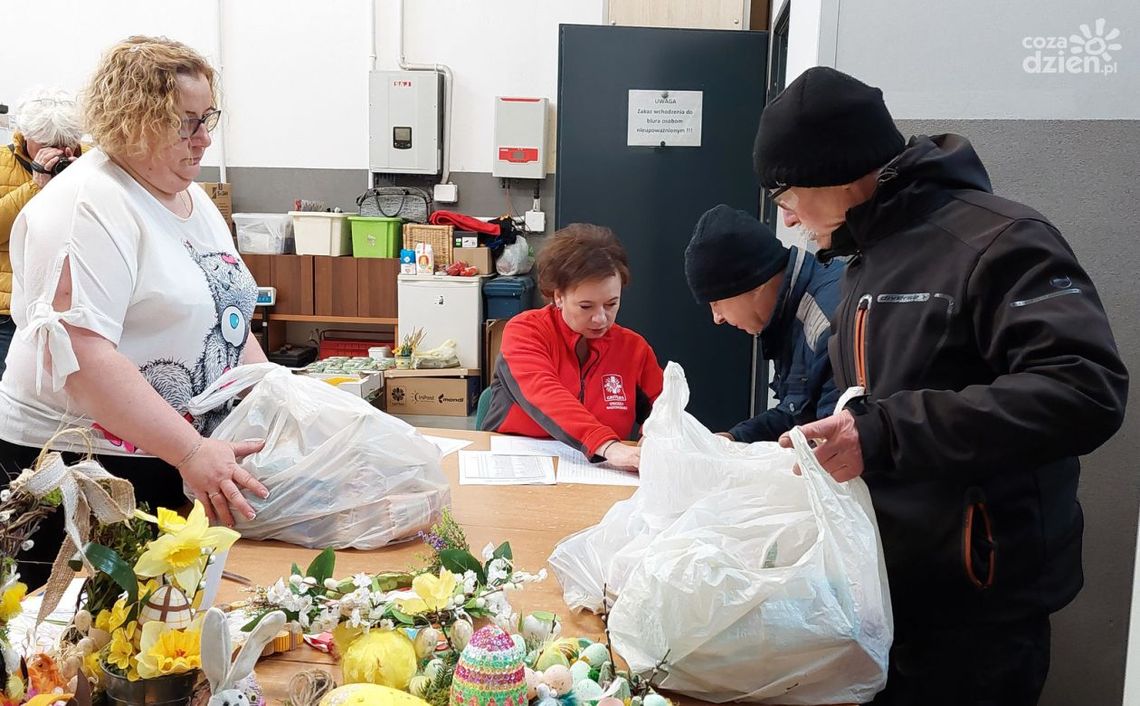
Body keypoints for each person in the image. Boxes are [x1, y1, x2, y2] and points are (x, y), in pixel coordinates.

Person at [753, 66, 1128, 705]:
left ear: (838, 169)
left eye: (783, 193)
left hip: (979, 605)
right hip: (890, 594)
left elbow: (1084, 389)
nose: (785, 219)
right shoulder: (867, 261)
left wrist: (885, 434)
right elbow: (869, 405)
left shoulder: (998, 240)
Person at [0, 36, 270, 587]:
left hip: (167, 455)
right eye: (187, 122)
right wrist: (192, 449)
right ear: (135, 119)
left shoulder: (188, 199)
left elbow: (229, 319)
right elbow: (84, 360)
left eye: (207, 117)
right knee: (87, 647)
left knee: (165, 636)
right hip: (85, 468)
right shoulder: (86, 205)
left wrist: (278, 405)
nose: (205, 138)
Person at [479, 224, 663, 470]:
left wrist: (654, 438)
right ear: (558, 296)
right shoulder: (525, 332)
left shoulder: (634, 349)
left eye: (611, 304)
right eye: (586, 306)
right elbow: (545, 393)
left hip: (600, 475)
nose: (600, 318)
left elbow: (663, 410)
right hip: (517, 468)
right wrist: (607, 446)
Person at [684, 204, 842, 442]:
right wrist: (732, 439)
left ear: (754, 285)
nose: (717, 318)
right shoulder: (789, 312)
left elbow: (834, 439)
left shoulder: (827, 319)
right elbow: (795, 415)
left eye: (716, 302)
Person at [0, 88, 84, 379]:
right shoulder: (1, 162)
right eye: (47, 144)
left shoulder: (92, 164)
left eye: (65, 143)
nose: (58, 152)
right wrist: (35, 187)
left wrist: (80, 181)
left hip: (75, 303)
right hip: (11, 309)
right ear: (26, 136)